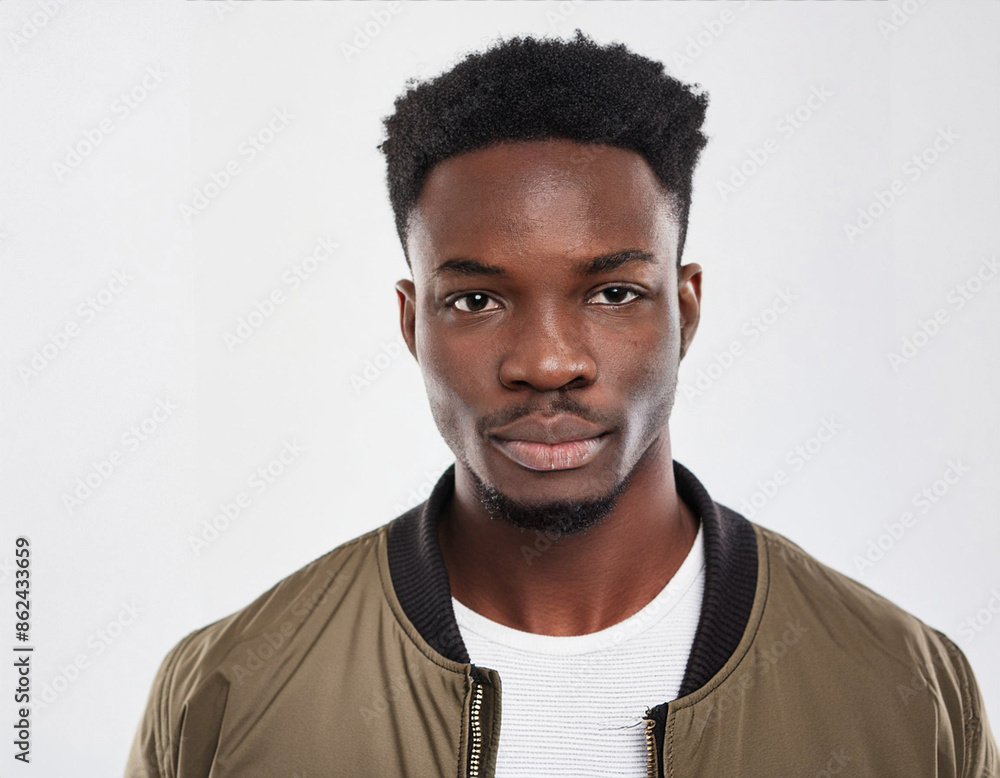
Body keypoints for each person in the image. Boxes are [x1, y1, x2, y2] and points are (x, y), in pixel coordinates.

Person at [124, 30, 998, 778]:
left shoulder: (906, 692)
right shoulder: (228, 691)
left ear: (684, 310)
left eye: (613, 293)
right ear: (410, 322)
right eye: (476, 300)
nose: (548, 362)